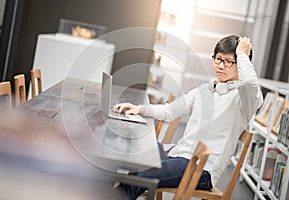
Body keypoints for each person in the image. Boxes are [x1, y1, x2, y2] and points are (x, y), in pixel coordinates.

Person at [113, 35, 263, 200]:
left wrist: (242, 53)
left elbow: (249, 83)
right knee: (128, 155)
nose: (221, 66)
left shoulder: (244, 99)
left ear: (240, 65)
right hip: (178, 154)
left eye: (228, 61)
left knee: (139, 177)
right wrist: (139, 109)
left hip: (201, 169)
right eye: (218, 59)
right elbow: (169, 111)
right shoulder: (206, 90)